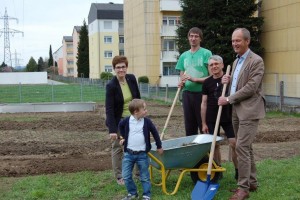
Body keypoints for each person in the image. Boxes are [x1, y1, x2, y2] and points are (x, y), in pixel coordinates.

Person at [218, 28, 265, 200]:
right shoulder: (236, 61)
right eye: (233, 41)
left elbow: (251, 88)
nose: (234, 44)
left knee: (241, 147)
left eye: (238, 40)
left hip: (250, 110)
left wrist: (228, 99)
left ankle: (243, 188)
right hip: (237, 110)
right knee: (246, 147)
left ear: (247, 41)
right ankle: (252, 182)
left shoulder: (256, 61)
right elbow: (239, 85)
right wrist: (228, 81)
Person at [201, 55, 238, 179]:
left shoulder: (229, 79)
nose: (214, 66)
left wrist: (227, 82)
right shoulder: (207, 82)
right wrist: (204, 123)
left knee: (234, 143)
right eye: (211, 65)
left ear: (222, 65)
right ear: (208, 68)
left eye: (216, 64)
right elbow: (204, 103)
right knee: (215, 145)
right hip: (212, 118)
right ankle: (218, 170)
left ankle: (238, 170)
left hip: (228, 117)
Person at [105, 55, 141, 185]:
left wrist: (141, 115)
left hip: (134, 118)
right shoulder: (111, 85)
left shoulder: (131, 79)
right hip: (119, 121)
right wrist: (112, 130)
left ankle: (138, 174)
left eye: (123, 67)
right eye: (118, 67)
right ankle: (120, 176)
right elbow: (109, 109)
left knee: (137, 145)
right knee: (118, 148)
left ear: (126, 67)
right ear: (114, 69)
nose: (121, 70)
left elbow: (138, 99)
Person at [119, 99, 163, 200]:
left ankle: (146, 194)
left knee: (144, 176)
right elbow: (120, 126)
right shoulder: (126, 121)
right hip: (128, 154)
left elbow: (155, 133)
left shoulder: (147, 122)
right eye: (144, 109)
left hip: (142, 155)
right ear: (136, 111)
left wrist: (159, 146)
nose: (146, 111)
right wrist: (122, 137)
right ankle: (132, 193)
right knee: (126, 176)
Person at [175, 27, 212, 136]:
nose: (193, 38)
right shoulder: (183, 56)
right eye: (191, 36)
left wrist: (195, 79)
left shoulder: (206, 53)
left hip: (202, 95)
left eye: (196, 36)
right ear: (188, 38)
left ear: (200, 39)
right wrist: (181, 83)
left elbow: (211, 77)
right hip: (187, 94)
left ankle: (206, 152)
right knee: (189, 126)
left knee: (203, 125)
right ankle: (191, 151)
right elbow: (182, 76)